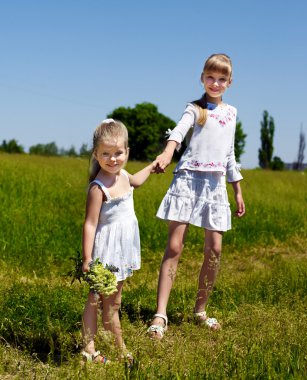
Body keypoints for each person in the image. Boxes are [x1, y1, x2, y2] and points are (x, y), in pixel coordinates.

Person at [148, 53, 245, 339]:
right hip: (188, 179)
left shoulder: (232, 113)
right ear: (202, 78)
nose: (215, 83)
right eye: (210, 77)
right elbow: (179, 132)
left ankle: (200, 310)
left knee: (214, 249)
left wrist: (237, 189)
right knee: (175, 247)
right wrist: (167, 152)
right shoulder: (195, 108)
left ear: (229, 82)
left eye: (221, 79)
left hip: (215, 185)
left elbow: (229, 154)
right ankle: (160, 314)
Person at [81, 118, 156, 363]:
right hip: (105, 252)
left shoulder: (123, 175)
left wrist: (153, 166)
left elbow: (137, 181)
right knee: (95, 299)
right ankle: (92, 349)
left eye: (118, 153)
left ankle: (115, 345)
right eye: (106, 154)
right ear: (96, 154)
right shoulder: (98, 188)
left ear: (127, 152)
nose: (113, 159)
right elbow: (90, 224)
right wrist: (87, 259)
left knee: (114, 302)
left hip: (122, 251)